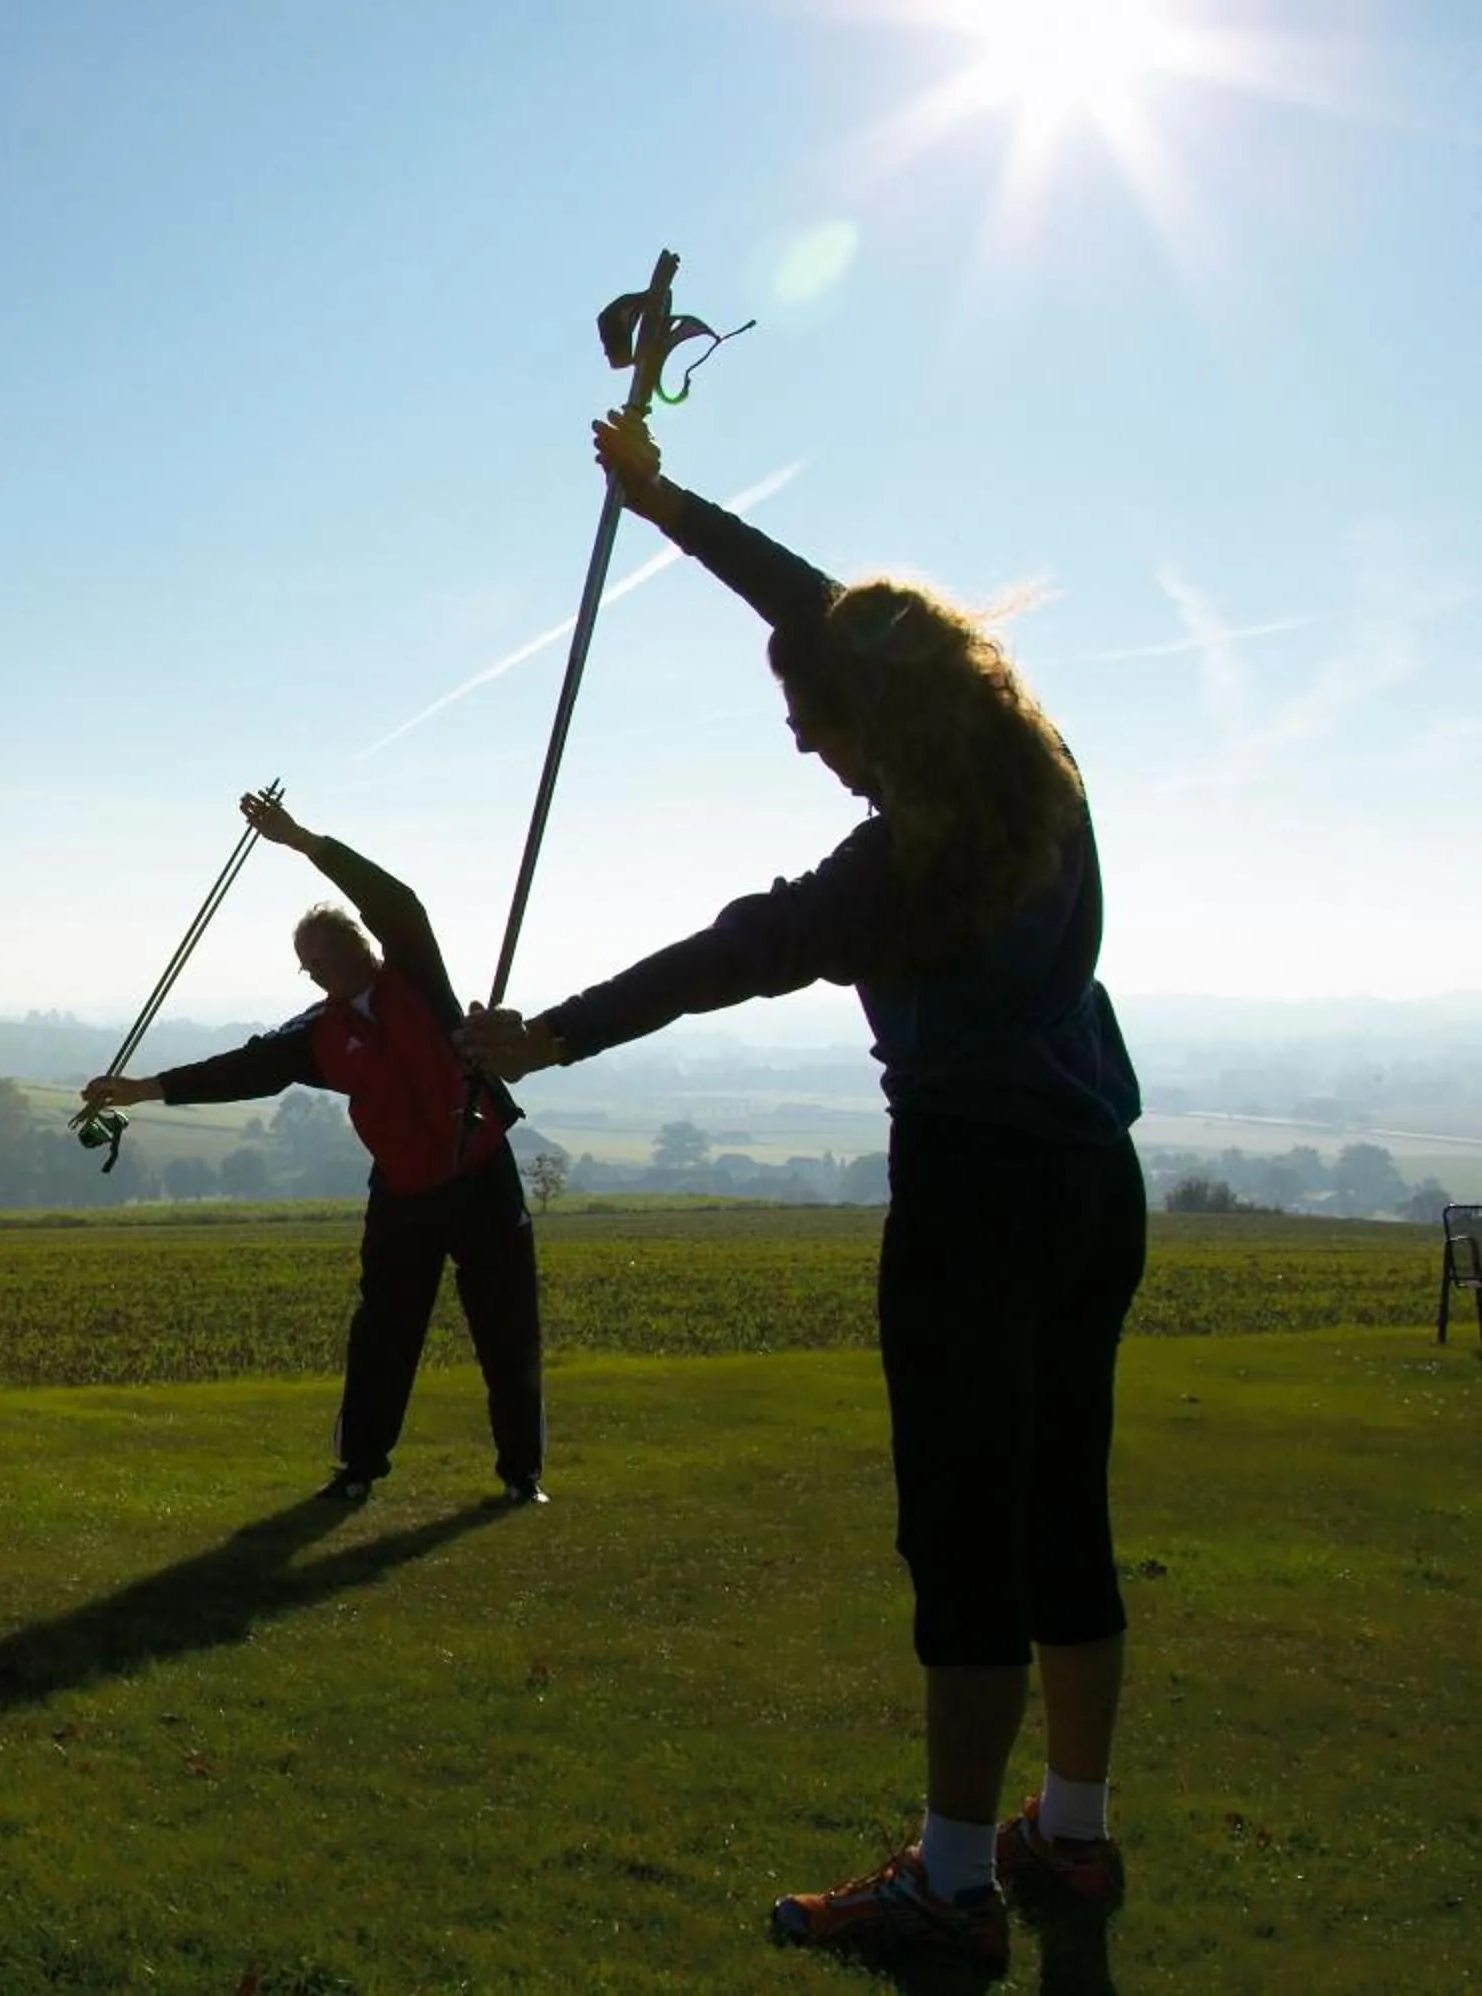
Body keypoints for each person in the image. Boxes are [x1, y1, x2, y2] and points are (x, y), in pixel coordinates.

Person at [463, 409, 1144, 1975]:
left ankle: (955, 1881)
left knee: (965, 1540)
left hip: (974, 1204)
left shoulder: (897, 876)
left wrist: (546, 1034)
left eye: (817, 726)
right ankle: (1077, 1833)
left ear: (881, 727)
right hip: (1097, 1188)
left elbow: (722, 957)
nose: (803, 744)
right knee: (1067, 1514)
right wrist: (662, 504)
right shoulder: (1044, 774)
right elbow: (821, 607)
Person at [81, 792, 545, 1508]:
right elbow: (243, 1069)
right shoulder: (316, 1035)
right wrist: (143, 1090)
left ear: (360, 946)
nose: (320, 973)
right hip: (404, 1192)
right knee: (383, 1334)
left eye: (326, 956)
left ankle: (521, 1475)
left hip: (481, 1171)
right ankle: (358, 1470)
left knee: (507, 1326)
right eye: (309, 966)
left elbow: (398, 902)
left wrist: (300, 840)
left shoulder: (416, 975)